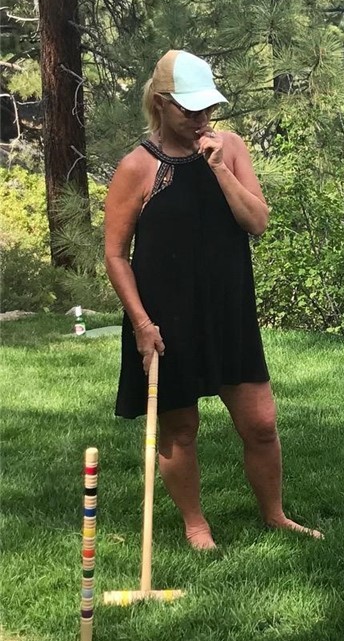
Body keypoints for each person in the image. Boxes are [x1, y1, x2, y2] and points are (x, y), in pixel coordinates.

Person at [104, 49, 321, 550]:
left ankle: (275, 515)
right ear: (161, 103)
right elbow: (115, 254)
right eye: (190, 110)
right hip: (165, 316)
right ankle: (196, 526)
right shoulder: (137, 167)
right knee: (180, 428)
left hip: (228, 310)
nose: (202, 119)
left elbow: (257, 223)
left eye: (207, 108)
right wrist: (140, 323)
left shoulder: (230, 148)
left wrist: (222, 170)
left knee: (262, 423)